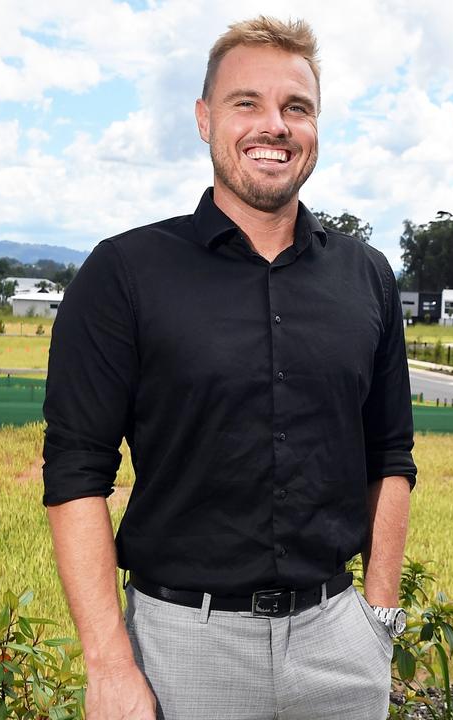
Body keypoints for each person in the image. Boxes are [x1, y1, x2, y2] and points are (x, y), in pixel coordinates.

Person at [42, 16, 415, 720]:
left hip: (340, 645)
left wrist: (380, 617)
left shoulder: (367, 276)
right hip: (182, 650)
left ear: (315, 126)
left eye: (296, 107)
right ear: (204, 118)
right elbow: (74, 472)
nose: (274, 125)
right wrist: (108, 664)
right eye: (247, 103)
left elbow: (390, 454)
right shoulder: (124, 272)